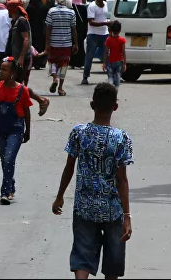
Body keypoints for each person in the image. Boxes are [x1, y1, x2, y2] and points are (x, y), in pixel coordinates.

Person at [52, 83, 133, 280]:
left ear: (92, 105)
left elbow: (69, 167)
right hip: (112, 210)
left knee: (82, 257)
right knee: (112, 264)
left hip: (84, 207)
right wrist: (127, 215)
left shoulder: (79, 132)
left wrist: (60, 196)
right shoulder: (121, 138)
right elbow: (122, 179)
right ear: (115, 107)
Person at [0, 58, 44, 205]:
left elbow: (27, 112)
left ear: (13, 73)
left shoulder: (23, 90)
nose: (0, 72)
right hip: (0, 129)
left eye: (4, 70)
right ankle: (11, 185)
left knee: (9, 159)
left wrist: (28, 131)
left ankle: (5, 192)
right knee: (5, 161)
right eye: (0, 69)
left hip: (16, 129)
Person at [46, 0, 79, 96]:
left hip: (53, 42)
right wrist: (76, 43)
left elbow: (48, 29)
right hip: (66, 43)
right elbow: (74, 29)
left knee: (52, 62)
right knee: (64, 64)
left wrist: (47, 43)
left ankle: (55, 78)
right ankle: (60, 88)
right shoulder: (71, 12)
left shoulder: (51, 11)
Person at [82, 0, 111, 85]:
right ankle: (85, 77)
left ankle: (110, 76)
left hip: (104, 34)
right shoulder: (92, 6)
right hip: (93, 35)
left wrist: (108, 25)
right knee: (89, 57)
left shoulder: (106, 4)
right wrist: (105, 23)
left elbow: (105, 17)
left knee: (106, 56)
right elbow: (91, 22)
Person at [6, 0, 32, 85]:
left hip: (22, 58)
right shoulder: (15, 21)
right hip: (15, 57)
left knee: (19, 81)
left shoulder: (22, 21)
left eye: (9, 9)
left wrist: (21, 57)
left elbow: (26, 39)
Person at [26, 0, 48, 70]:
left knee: (32, 45)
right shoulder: (43, 7)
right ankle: (40, 63)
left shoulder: (29, 8)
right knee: (40, 46)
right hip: (41, 30)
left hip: (31, 29)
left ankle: (32, 62)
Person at [104, 21, 127, 90]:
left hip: (111, 61)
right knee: (117, 79)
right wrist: (125, 63)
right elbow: (123, 52)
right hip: (119, 62)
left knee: (110, 76)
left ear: (111, 30)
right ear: (120, 30)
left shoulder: (109, 40)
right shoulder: (122, 40)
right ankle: (115, 94)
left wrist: (104, 63)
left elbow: (106, 52)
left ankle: (110, 85)